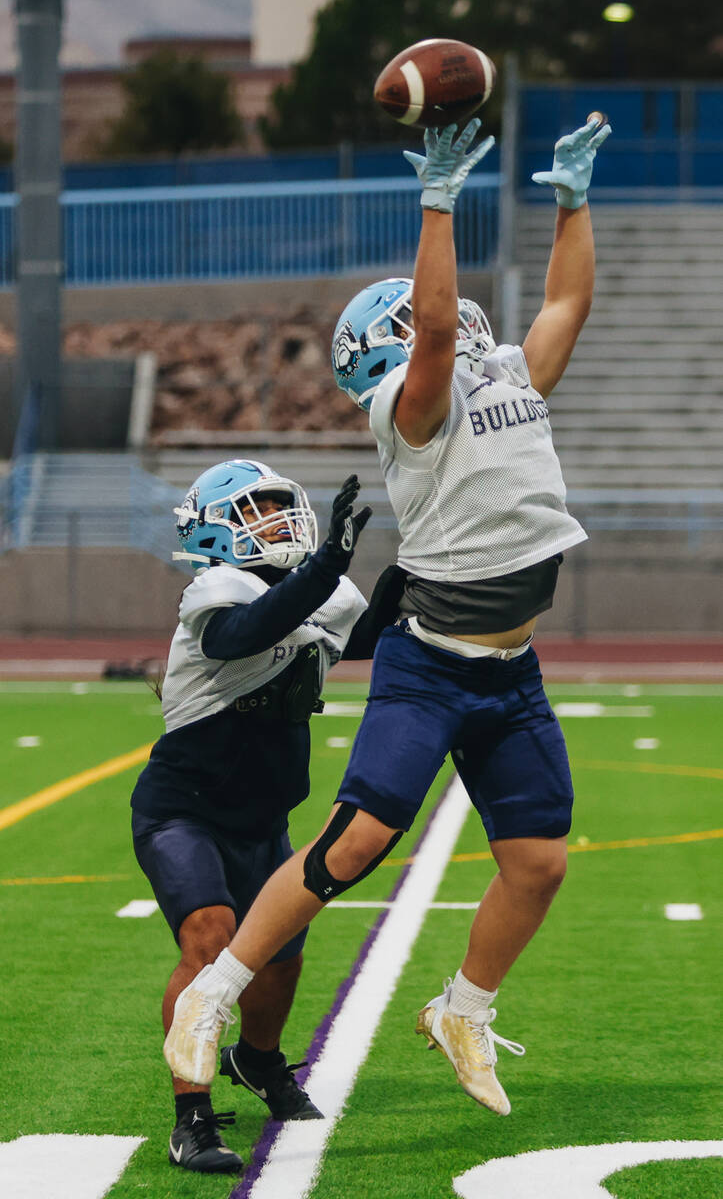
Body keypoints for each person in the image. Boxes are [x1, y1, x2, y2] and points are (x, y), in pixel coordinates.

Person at [162, 114, 611, 1119]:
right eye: (407, 325)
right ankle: (214, 994)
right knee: (355, 842)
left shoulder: (504, 381)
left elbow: (567, 302)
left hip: (511, 669)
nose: (430, 325)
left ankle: (463, 1008)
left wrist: (573, 204)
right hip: (433, 663)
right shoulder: (409, 409)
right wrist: (439, 201)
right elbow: (443, 334)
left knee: (538, 863)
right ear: (384, 358)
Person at [131, 458, 403, 1173]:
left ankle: (255, 1059)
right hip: (184, 811)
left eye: (281, 505)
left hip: (263, 815)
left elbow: (359, 638)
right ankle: (190, 1117)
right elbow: (240, 636)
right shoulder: (216, 590)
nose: (277, 520)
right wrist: (324, 568)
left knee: (279, 962)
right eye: (256, 510)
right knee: (210, 941)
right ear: (215, 529)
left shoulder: (316, 591)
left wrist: (406, 578)